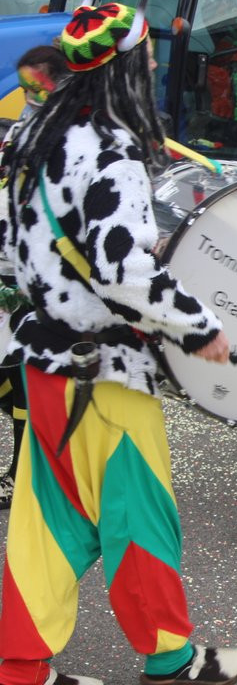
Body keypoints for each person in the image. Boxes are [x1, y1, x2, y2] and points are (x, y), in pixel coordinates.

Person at [0, 0, 237, 685]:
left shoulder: (36, 138)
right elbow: (119, 267)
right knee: (139, 514)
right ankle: (170, 657)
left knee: (48, 524)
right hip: (102, 372)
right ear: (125, 71)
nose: (156, 65)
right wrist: (197, 326)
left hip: (44, 365)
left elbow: (29, 252)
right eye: (148, 57)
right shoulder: (109, 150)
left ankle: (21, 666)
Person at [0, 45, 69, 509]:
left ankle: (25, 468)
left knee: (22, 382)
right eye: (22, 89)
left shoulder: (69, 142)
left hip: (33, 284)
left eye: (36, 89)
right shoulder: (21, 131)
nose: (27, 98)